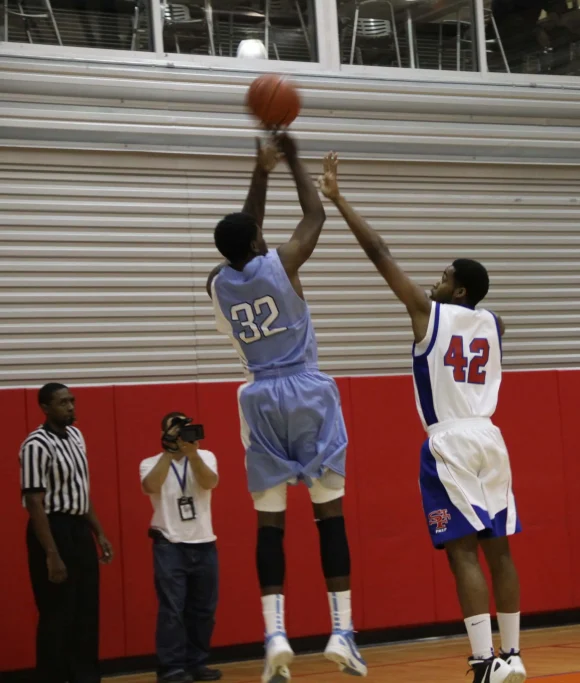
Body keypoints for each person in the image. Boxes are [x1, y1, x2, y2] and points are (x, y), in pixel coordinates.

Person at [317, 151, 525, 683]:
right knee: (499, 549)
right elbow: (484, 315)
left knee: (462, 553)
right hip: (492, 437)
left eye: (443, 276)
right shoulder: (493, 323)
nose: (433, 281)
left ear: (456, 291)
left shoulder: (426, 313)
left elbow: (380, 251)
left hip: (450, 440)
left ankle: (483, 662)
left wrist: (338, 199)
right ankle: (515, 654)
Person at [206, 133, 366, 681]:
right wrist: (293, 161)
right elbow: (315, 215)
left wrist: (259, 171)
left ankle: (275, 633)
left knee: (269, 525)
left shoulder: (218, 283)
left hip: (258, 400)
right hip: (307, 391)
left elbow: (242, 230)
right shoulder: (285, 263)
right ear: (258, 241)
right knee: (330, 516)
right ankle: (341, 631)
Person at [19, 382, 115, 683]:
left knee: (86, 610)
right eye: (63, 402)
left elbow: (81, 493)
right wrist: (52, 554)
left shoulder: (76, 436)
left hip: (78, 528)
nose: (71, 407)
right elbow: (34, 502)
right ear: (45, 407)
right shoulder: (35, 445)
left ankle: (85, 677)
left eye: (72, 401)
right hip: (51, 529)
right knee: (57, 613)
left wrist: (98, 533)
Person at [140, 413, 222, 683]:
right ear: (165, 433)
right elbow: (150, 485)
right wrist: (168, 453)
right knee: (172, 610)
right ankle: (171, 669)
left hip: (204, 542)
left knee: (203, 610)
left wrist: (193, 455)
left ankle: (196, 663)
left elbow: (210, 482)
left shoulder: (206, 456)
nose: (182, 435)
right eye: (177, 431)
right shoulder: (150, 463)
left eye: (186, 430)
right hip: (169, 544)